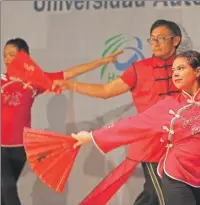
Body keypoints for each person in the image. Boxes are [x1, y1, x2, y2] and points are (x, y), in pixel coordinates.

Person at [53, 9, 200, 205]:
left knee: (153, 196)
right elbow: (106, 91)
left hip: (183, 148)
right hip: (152, 148)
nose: (155, 43)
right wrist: (70, 84)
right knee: (160, 196)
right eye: (152, 39)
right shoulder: (139, 69)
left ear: (176, 40)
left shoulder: (189, 64)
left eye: (161, 38)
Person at [71, 51, 200, 205]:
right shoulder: (169, 106)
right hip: (176, 175)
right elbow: (132, 125)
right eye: (173, 70)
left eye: (181, 68)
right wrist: (91, 136)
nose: (174, 73)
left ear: (198, 71)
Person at [1, 38, 122, 205]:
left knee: (5, 190)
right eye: (5, 55)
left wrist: (103, 61)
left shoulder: (35, 81)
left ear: (24, 57)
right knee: (6, 186)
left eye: (12, 55)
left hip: (20, 148)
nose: (7, 59)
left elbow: (68, 74)